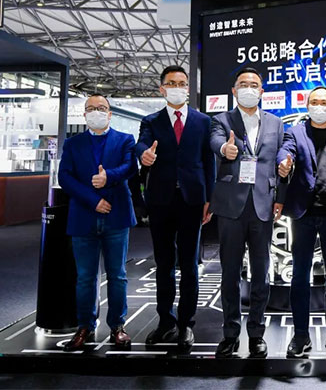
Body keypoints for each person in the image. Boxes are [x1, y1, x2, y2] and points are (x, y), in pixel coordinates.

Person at [136, 65, 215, 350]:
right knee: (164, 264)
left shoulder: (203, 121)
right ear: (162, 89)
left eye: (182, 83)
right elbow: (141, 145)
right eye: (171, 83)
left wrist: (210, 198)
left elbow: (208, 161)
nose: (177, 87)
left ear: (188, 88)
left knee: (189, 265)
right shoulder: (151, 120)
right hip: (160, 199)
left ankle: (186, 324)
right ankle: (165, 322)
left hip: (193, 200)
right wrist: (143, 155)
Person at [209, 67, 286, 358]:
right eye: (243, 84)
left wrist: (280, 196)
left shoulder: (276, 123)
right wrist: (224, 150)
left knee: (261, 274)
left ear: (262, 91)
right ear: (234, 90)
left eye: (254, 85)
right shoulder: (221, 120)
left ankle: (256, 333)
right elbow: (215, 142)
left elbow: (281, 158)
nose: (249, 88)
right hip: (231, 206)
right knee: (230, 273)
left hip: (263, 206)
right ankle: (230, 333)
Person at [276, 87, 326, 359]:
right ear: (307, 105)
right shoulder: (295, 132)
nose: (319, 106)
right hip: (303, 215)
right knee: (300, 276)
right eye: (314, 102)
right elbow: (285, 152)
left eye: (324, 102)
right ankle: (300, 335)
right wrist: (283, 163)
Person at [58, 94, 137, 351]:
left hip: (116, 216)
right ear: (84, 115)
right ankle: (85, 326)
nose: (96, 112)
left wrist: (108, 177)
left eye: (101, 108)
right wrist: (93, 200)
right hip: (84, 216)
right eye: (91, 108)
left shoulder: (125, 139)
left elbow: (130, 167)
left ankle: (117, 326)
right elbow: (65, 177)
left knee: (118, 275)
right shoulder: (73, 144)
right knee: (85, 277)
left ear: (110, 113)